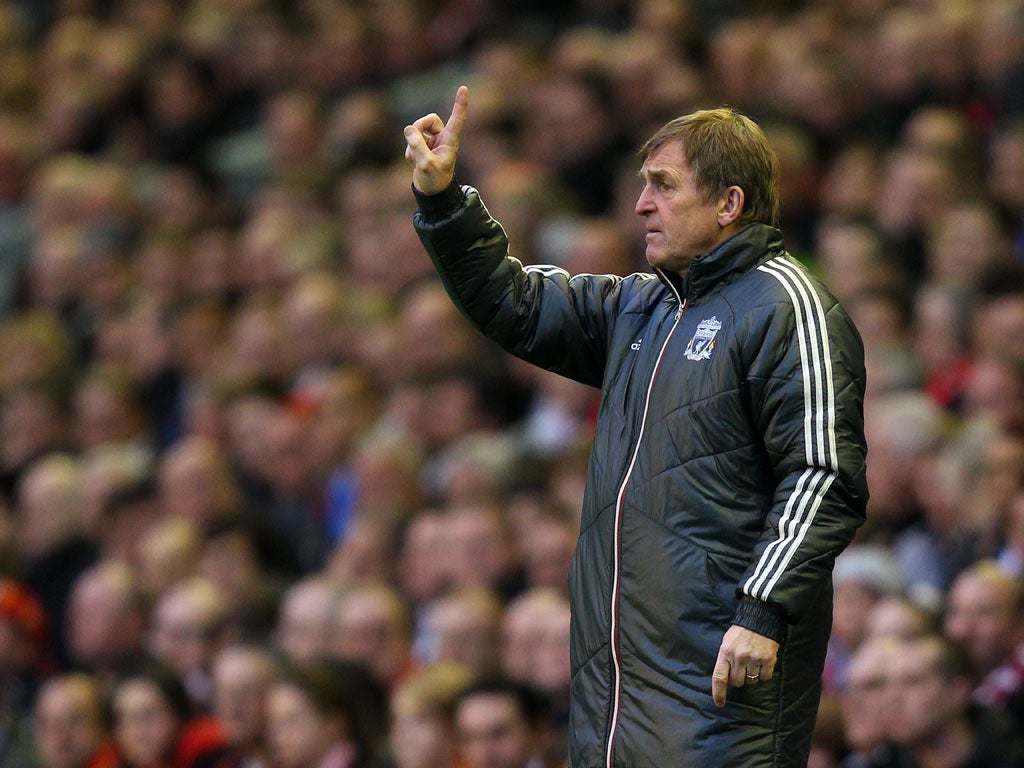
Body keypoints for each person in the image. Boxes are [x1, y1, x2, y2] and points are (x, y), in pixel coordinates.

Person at [404, 86, 869, 766]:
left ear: (728, 204)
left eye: (662, 186)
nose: (641, 205)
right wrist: (445, 204)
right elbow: (517, 303)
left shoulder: (786, 303)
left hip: (721, 689)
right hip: (616, 702)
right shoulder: (640, 310)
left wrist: (762, 610)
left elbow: (824, 472)